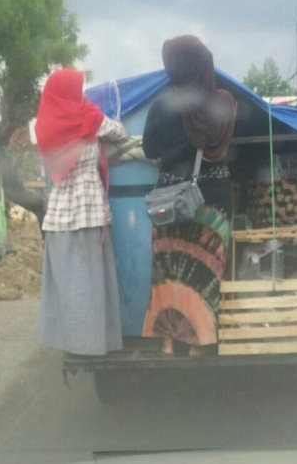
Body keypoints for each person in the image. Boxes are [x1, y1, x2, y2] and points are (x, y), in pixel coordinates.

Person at [141, 35, 236, 357]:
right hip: (215, 199)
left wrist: (173, 149)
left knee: (168, 271)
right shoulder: (224, 101)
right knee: (206, 271)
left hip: (171, 199)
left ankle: (168, 341)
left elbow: (149, 149)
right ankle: (199, 343)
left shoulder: (163, 105)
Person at [35, 68, 129, 356]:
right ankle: (96, 342)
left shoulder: (44, 125)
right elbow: (121, 133)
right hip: (88, 209)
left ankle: (73, 344)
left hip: (58, 215)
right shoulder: (90, 119)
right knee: (92, 283)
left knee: (69, 286)